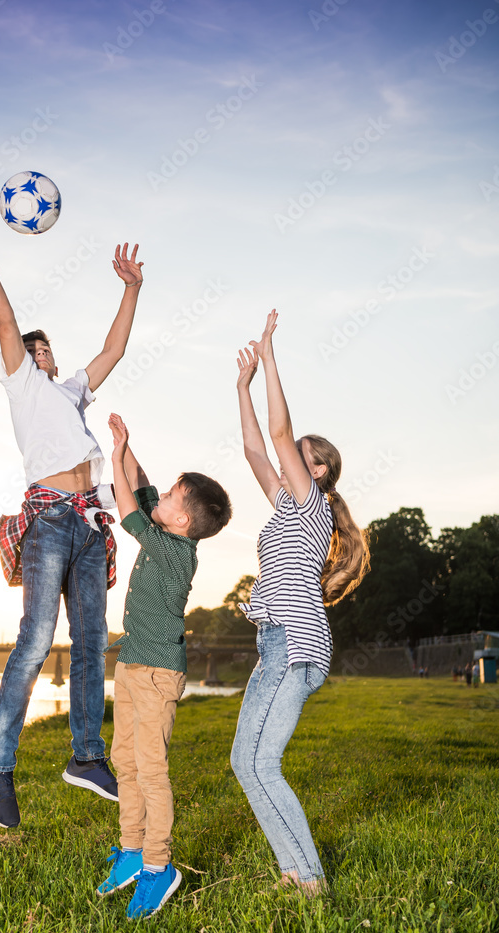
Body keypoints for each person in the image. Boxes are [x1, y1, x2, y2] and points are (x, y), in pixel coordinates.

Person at [0, 196, 145, 829]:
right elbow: (5, 318)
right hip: (48, 520)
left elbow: (113, 350)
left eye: (47, 349)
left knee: (93, 642)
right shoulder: (23, 385)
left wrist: (131, 291)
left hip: (90, 525)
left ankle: (86, 757)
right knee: (36, 639)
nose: (43, 352)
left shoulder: (71, 394)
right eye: (34, 348)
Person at [230, 309, 370, 896]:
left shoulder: (312, 503)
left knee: (261, 764)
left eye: (303, 456)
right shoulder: (288, 506)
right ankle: (296, 871)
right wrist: (241, 386)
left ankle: (308, 879)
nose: (290, 460)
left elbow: (280, 436)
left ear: (318, 474)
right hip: (278, 645)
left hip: (294, 644)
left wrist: (270, 360)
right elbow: (254, 448)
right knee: (246, 762)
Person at [96, 413, 232, 919]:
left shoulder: (176, 552)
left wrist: (114, 461)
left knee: (152, 771)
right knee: (126, 762)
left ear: (182, 522)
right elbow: (144, 487)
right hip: (131, 665)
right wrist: (126, 447)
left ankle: (159, 867)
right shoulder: (168, 527)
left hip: (157, 675)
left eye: (175, 497)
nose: (165, 498)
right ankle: (131, 852)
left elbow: (130, 509)